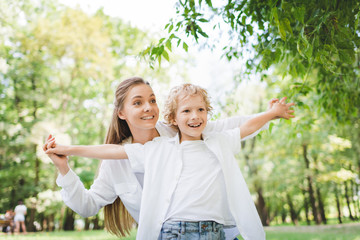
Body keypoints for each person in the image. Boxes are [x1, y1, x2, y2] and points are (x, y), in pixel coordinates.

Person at [45, 83, 295, 240]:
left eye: (152, 100)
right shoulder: (135, 156)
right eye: (138, 102)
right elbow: (88, 202)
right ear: (121, 113)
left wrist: (270, 113)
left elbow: (236, 126)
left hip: (214, 227)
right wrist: (64, 165)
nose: (148, 107)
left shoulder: (191, 133)